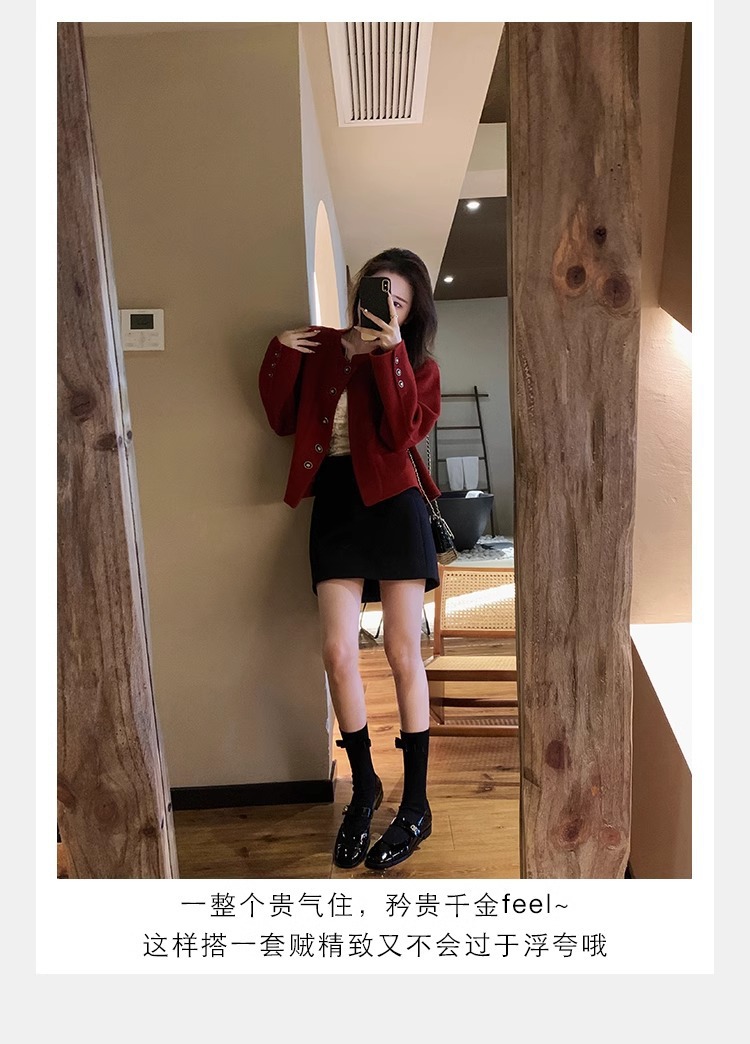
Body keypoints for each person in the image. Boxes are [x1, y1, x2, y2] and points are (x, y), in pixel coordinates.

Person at [258, 247, 442, 871]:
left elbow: (402, 433)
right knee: (337, 652)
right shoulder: (324, 348)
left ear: (410, 314)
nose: (386, 306)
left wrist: (391, 355)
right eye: (378, 291)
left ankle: (415, 803)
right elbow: (281, 419)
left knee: (401, 651)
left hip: (395, 505)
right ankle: (365, 788)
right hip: (337, 503)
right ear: (360, 289)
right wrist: (281, 353)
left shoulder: (418, 365)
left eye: (400, 302)